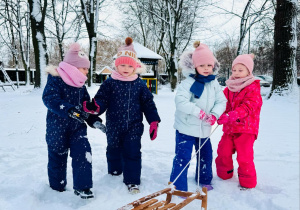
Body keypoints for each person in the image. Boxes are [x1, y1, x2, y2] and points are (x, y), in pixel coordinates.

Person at [83, 37, 161, 194]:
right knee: (113, 149)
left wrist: (153, 121)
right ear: (116, 65)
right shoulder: (110, 83)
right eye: (122, 65)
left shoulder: (139, 84)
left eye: (129, 65)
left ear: (135, 67)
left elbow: (148, 104)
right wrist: (96, 106)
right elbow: (102, 100)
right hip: (114, 124)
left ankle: (132, 181)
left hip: (134, 125)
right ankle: (114, 172)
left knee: (132, 151)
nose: (125, 68)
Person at [42, 43, 105, 199]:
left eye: (87, 69)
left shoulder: (80, 85)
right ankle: (57, 188)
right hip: (57, 128)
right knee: (57, 156)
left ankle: (83, 187)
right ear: (73, 67)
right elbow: (49, 99)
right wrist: (68, 109)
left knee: (83, 153)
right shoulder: (55, 80)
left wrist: (93, 119)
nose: (86, 71)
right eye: (84, 68)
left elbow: (85, 107)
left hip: (77, 128)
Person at [169, 41, 227, 192]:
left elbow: (221, 101)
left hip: (204, 129)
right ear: (194, 66)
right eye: (202, 65)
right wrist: (198, 112)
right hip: (186, 128)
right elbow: (180, 101)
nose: (206, 68)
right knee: (183, 158)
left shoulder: (214, 83)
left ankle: (204, 179)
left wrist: (214, 114)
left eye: (209, 65)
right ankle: (178, 185)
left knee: (206, 155)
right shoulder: (188, 83)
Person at [215, 53, 262, 189]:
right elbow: (223, 104)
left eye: (240, 70)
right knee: (223, 150)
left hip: (246, 128)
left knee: (244, 156)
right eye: (234, 70)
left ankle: (248, 182)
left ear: (249, 71)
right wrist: (219, 114)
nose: (236, 73)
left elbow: (249, 106)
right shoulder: (229, 88)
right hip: (230, 128)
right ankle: (225, 174)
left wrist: (233, 115)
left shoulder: (253, 88)